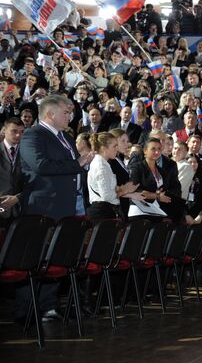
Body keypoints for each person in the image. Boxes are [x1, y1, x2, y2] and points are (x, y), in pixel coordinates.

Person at [18, 95, 94, 324]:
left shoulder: (66, 137)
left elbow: (74, 167)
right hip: (43, 207)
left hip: (68, 206)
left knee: (57, 258)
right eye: (66, 112)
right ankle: (27, 311)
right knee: (35, 258)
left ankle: (49, 307)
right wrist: (78, 164)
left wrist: (81, 167)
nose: (69, 116)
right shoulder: (33, 135)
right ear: (51, 114)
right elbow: (40, 165)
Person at [87, 132, 140, 222]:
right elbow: (107, 196)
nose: (116, 149)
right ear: (104, 148)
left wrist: (122, 189)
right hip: (102, 213)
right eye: (114, 146)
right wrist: (124, 190)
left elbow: (108, 189)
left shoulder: (103, 163)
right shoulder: (101, 166)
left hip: (105, 211)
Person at [0, 117, 24, 229]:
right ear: (4, 130)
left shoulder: (28, 153)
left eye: (21, 132)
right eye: (14, 131)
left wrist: (18, 197)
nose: (18, 135)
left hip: (20, 210)